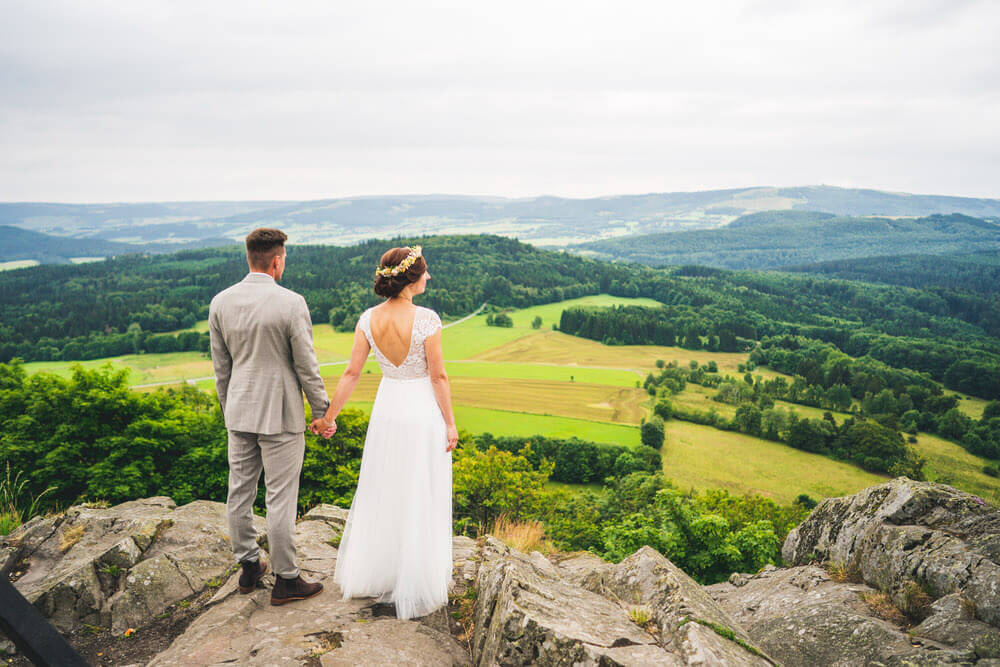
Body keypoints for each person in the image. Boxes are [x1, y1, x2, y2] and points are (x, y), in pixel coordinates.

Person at [322, 245, 458, 620]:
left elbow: (351, 373)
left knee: (386, 486)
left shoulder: (368, 319)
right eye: (425, 273)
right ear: (412, 278)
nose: (429, 277)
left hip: (388, 410)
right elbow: (438, 376)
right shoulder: (427, 319)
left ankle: (383, 569)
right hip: (420, 410)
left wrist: (329, 417)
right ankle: (417, 577)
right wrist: (449, 423)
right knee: (420, 487)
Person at [208, 228, 333, 606]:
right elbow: (306, 366)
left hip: (239, 411)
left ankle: (248, 565)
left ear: (250, 258)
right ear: (277, 260)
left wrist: (229, 410)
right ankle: (287, 579)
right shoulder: (291, 303)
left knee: (239, 491)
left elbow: (221, 369)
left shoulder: (220, 302)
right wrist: (323, 412)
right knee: (280, 497)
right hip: (280, 414)